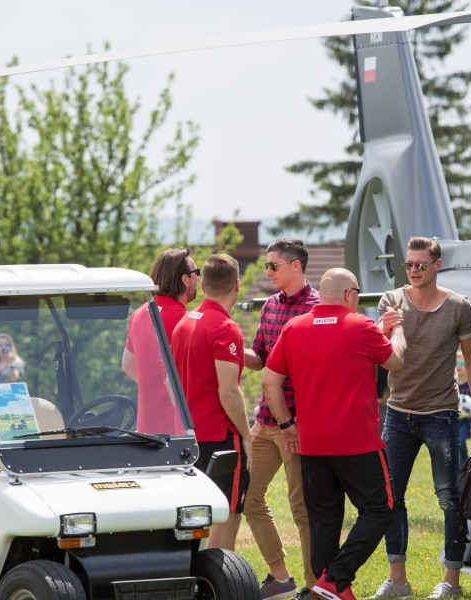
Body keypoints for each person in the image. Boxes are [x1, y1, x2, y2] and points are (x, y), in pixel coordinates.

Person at [261, 268, 406, 600]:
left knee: (324, 520)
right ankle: (337, 580)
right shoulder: (361, 326)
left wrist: (286, 424)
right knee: (382, 508)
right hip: (358, 443)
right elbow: (396, 361)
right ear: (349, 295)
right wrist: (395, 330)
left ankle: (329, 590)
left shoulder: (294, 327)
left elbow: (270, 382)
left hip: (312, 445)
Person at [372, 236, 471, 599]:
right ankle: (398, 581)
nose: (414, 270)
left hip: (441, 414)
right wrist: (385, 328)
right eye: (409, 265)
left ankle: (451, 582)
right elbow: (377, 349)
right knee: (393, 496)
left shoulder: (458, 306)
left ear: (437, 265)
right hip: (398, 412)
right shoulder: (391, 300)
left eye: (421, 264)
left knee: (451, 498)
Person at [243, 238, 320, 599]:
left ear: (295, 266)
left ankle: (314, 585)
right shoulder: (270, 306)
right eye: (266, 266)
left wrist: (296, 425)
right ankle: (281, 577)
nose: (268, 272)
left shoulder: (319, 308)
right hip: (265, 421)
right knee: (248, 497)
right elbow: (258, 357)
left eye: (273, 266)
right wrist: (225, 344)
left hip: (299, 426)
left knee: (302, 509)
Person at [171, 254, 251, 550]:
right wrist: (246, 436)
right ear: (237, 285)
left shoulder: (185, 322)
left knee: (195, 518)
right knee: (226, 518)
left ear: (202, 285)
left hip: (188, 438)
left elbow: (171, 382)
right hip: (220, 438)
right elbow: (229, 391)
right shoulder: (225, 328)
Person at [122, 247, 198, 434]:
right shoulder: (185, 321)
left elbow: (127, 365)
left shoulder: (138, 314)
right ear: (185, 279)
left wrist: (155, 388)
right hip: (176, 430)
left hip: (146, 429)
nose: (199, 278)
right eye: (197, 272)